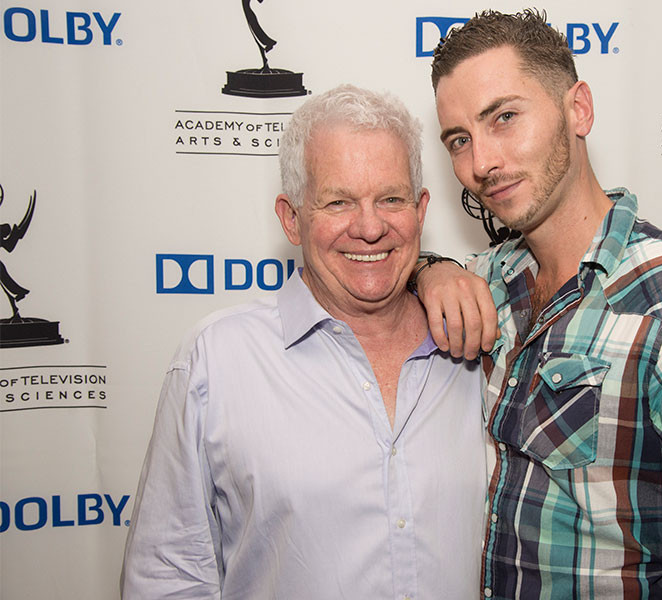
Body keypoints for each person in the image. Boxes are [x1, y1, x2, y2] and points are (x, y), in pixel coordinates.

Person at [414, 9, 662, 599]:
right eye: (460, 140)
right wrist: (428, 268)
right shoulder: (492, 280)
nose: (481, 163)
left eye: (506, 118)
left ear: (579, 110)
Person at [121, 84, 487, 599]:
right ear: (292, 218)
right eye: (338, 201)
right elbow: (169, 577)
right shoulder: (217, 362)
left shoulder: (478, 347)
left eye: (391, 199)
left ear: (421, 210)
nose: (369, 226)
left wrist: (436, 271)